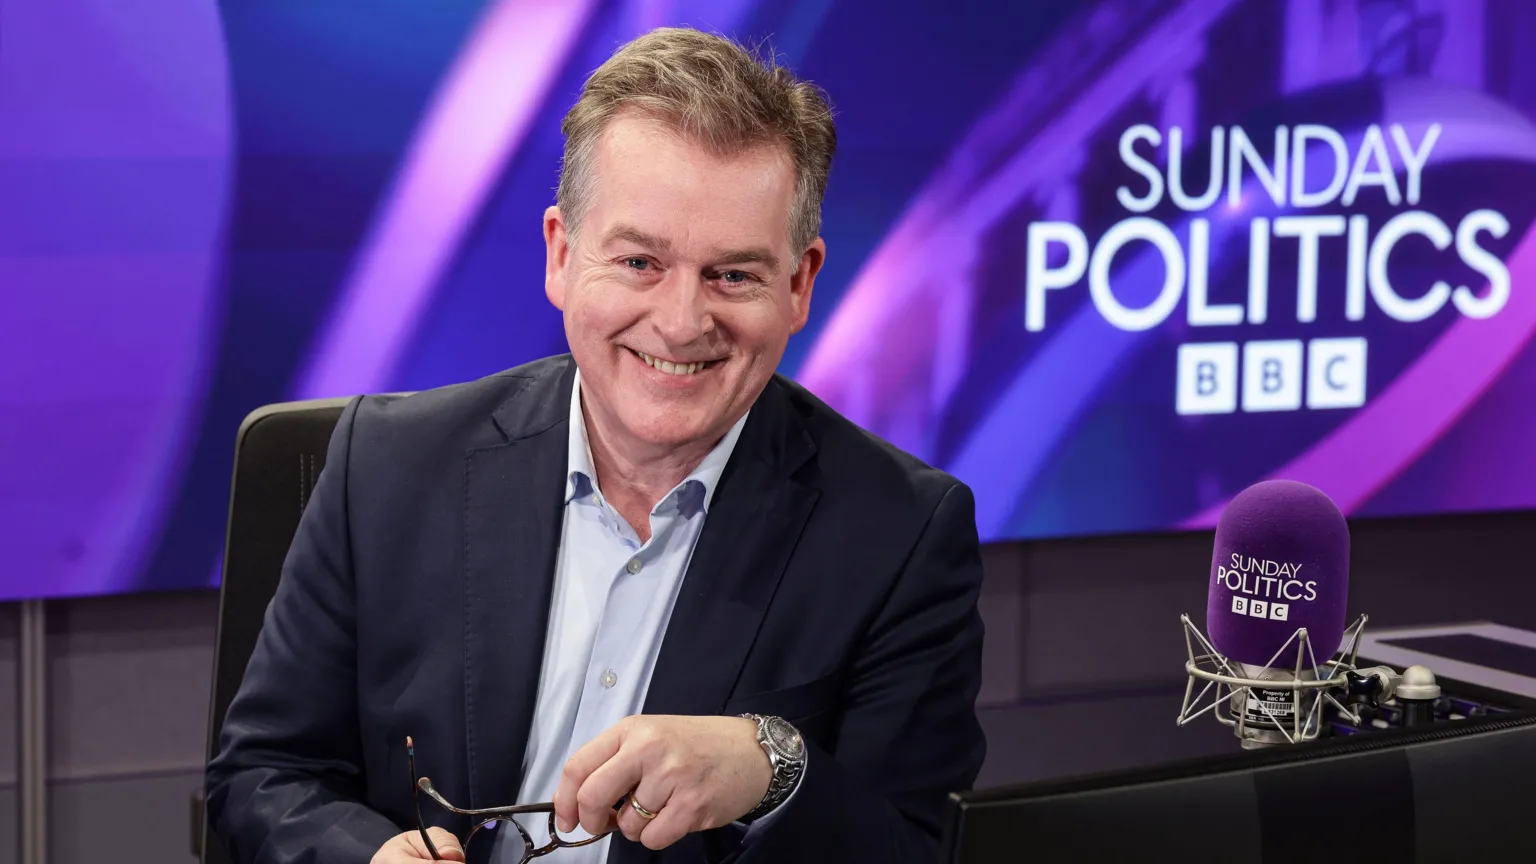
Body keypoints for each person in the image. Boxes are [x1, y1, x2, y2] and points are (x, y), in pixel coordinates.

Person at [205, 26, 986, 864]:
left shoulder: (902, 533)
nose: (683, 323)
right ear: (562, 255)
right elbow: (263, 774)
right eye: (641, 262)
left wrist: (774, 769)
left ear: (799, 285)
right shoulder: (386, 466)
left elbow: (916, 849)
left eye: (734, 275)